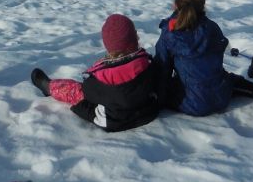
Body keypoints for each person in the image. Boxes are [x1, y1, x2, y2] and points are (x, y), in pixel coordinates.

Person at [153, 0, 253, 116]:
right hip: (221, 95)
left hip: (192, 103)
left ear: (175, 4)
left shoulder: (170, 33)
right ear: (203, 5)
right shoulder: (212, 27)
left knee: (168, 84)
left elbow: (162, 70)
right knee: (228, 79)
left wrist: (158, 100)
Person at [30, 14, 160, 132]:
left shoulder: (99, 80)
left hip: (113, 120)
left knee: (75, 91)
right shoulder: (146, 63)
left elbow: (88, 92)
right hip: (147, 112)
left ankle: (49, 87)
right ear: (135, 38)